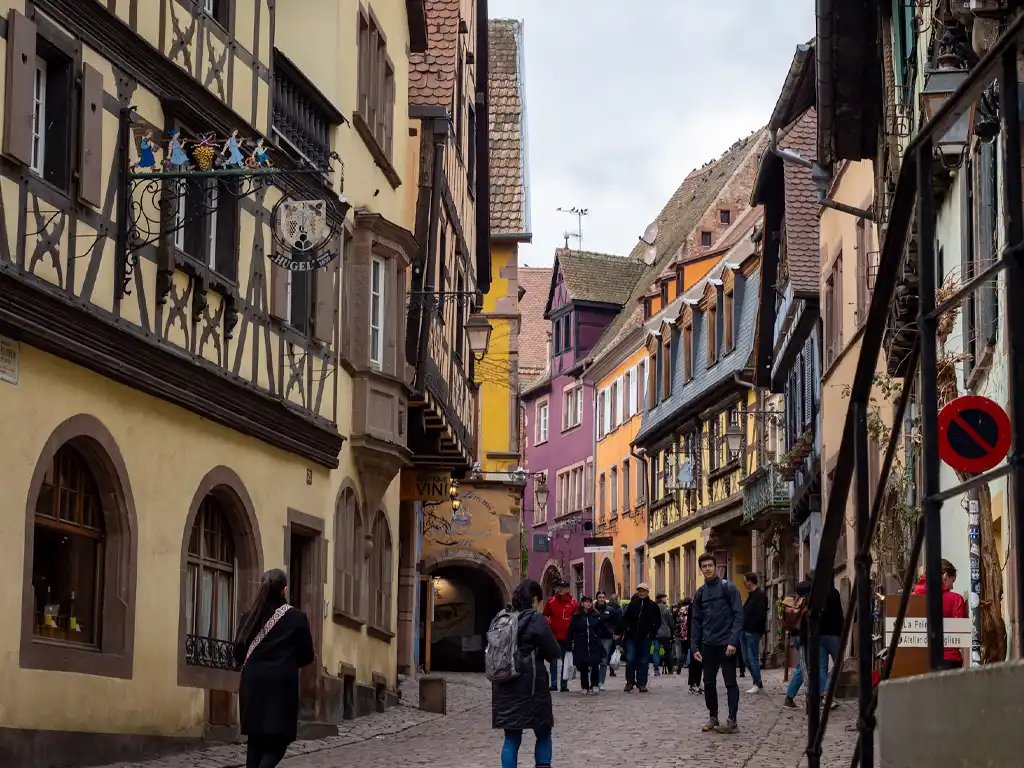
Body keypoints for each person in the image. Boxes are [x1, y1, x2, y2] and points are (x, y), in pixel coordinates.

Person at [233, 569, 315, 768]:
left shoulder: (248, 617)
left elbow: (237, 654)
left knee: (255, 743)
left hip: (252, 684)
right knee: (279, 742)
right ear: (284, 590)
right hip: (280, 686)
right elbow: (307, 656)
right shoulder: (297, 618)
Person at [492, 579, 562, 768]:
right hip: (532, 687)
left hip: (504, 684)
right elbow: (553, 652)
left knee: (511, 738)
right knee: (543, 731)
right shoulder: (535, 619)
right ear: (534, 599)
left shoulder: (502, 617)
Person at [691, 553, 743, 734]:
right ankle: (713, 717)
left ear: (716, 567)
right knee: (709, 682)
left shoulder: (728, 588)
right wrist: (694, 647)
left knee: (730, 682)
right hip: (708, 645)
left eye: (710, 565)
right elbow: (696, 621)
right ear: (701, 569)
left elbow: (738, 616)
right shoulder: (700, 593)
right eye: (704, 566)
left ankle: (732, 720)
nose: (707, 569)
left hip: (726, 644)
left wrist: (733, 641)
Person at [912, 559, 968, 670]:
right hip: (948, 661)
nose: (952, 586)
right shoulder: (955, 599)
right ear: (945, 576)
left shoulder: (912, 599)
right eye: (953, 581)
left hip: (918, 660)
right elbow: (960, 634)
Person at [808, 569, 844, 706]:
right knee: (839, 663)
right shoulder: (833, 593)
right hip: (833, 634)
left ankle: (823, 695)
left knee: (822, 667)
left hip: (819, 635)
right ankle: (828, 692)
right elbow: (839, 615)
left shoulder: (815, 593)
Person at [619, 583, 662, 692]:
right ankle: (629, 682)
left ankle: (642, 683)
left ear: (647, 592)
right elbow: (625, 619)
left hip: (645, 637)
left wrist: (651, 634)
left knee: (643, 661)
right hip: (631, 637)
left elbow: (657, 622)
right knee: (630, 659)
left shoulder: (653, 606)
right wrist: (622, 631)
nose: (641, 593)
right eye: (640, 591)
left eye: (643, 591)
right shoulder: (632, 604)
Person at [568, 595, 608, 694]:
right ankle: (585, 686)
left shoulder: (595, 615)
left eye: (590, 602)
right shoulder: (577, 617)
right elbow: (571, 631)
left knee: (595, 664)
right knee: (584, 666)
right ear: (582, 604)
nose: (588, 603)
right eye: (586, 602)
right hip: (581, 644)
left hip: (594, 644)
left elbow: (602, 627)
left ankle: (594, 684)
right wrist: (569, 644)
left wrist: (609, 635)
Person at [542, 581, 578, 692]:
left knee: (566, 660)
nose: (561, 590)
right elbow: (545, 615)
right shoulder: (551, 601)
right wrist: (550, 623)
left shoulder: (573, 603)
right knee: (553, 660)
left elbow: (576, 618)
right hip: (554, 635)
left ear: (568, 589)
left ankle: (564, 684)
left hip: (567, 636)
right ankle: (553, 684)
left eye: (564, 588)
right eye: (560, 587)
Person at [783, 580, 812, 708]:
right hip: (803, 636)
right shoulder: (806, 602)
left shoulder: (795, 601)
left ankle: (792, 697)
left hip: (795, 635)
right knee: (803, 667)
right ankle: (790, 696)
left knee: (803, 665)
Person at [741, 572, 769, 693]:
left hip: (752, 631)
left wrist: (755, 629)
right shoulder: (751, 595)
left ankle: (756, 683)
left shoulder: (760, 595)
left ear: (749, 582)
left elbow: (760, 615)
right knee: (746, 659)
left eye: (744, 581)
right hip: (745, 630)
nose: (744, 584)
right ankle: (757, 681)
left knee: (752, 658)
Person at [594, 591, 621, 689]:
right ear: (596, 598)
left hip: (606, 637)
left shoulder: (610, 610)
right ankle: (594, 682)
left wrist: (614, 632)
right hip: (594, 637)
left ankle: (601, 682)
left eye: (603, 597)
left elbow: (616, 623)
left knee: (603, 660)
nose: (601, 599)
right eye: (599, 597)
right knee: (594, 660)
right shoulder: (593, 610)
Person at [654, 593, 675, 675]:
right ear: (662, 599)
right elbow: (671, 622)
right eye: (665, 598)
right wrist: (672, 630)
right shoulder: (666, 609)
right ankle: (670, 668)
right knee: (668, 651)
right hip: (665, 633)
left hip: (656, 633)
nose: (666, 599)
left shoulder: (654, 608)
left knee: (656, 651)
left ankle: (656, 669)